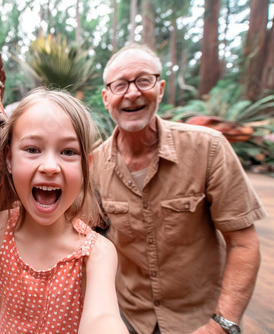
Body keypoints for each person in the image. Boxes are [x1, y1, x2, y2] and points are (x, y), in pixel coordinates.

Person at [92, 43, 267, 334]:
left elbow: (243, 242)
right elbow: (92, 246)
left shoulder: (208, 148)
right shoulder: (94, 165)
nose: (132, 92)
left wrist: (223, 324)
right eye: (120, 84)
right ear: (106, 97)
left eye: (143, 80)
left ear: (160, 88)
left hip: (200, 318)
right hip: (129, 319)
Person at [0, 87, 128, 334]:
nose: (50, 167)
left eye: (68, 152)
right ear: (9, 159)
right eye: (32, 149)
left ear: (85, 166)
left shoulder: (97, 255)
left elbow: (103, 316)